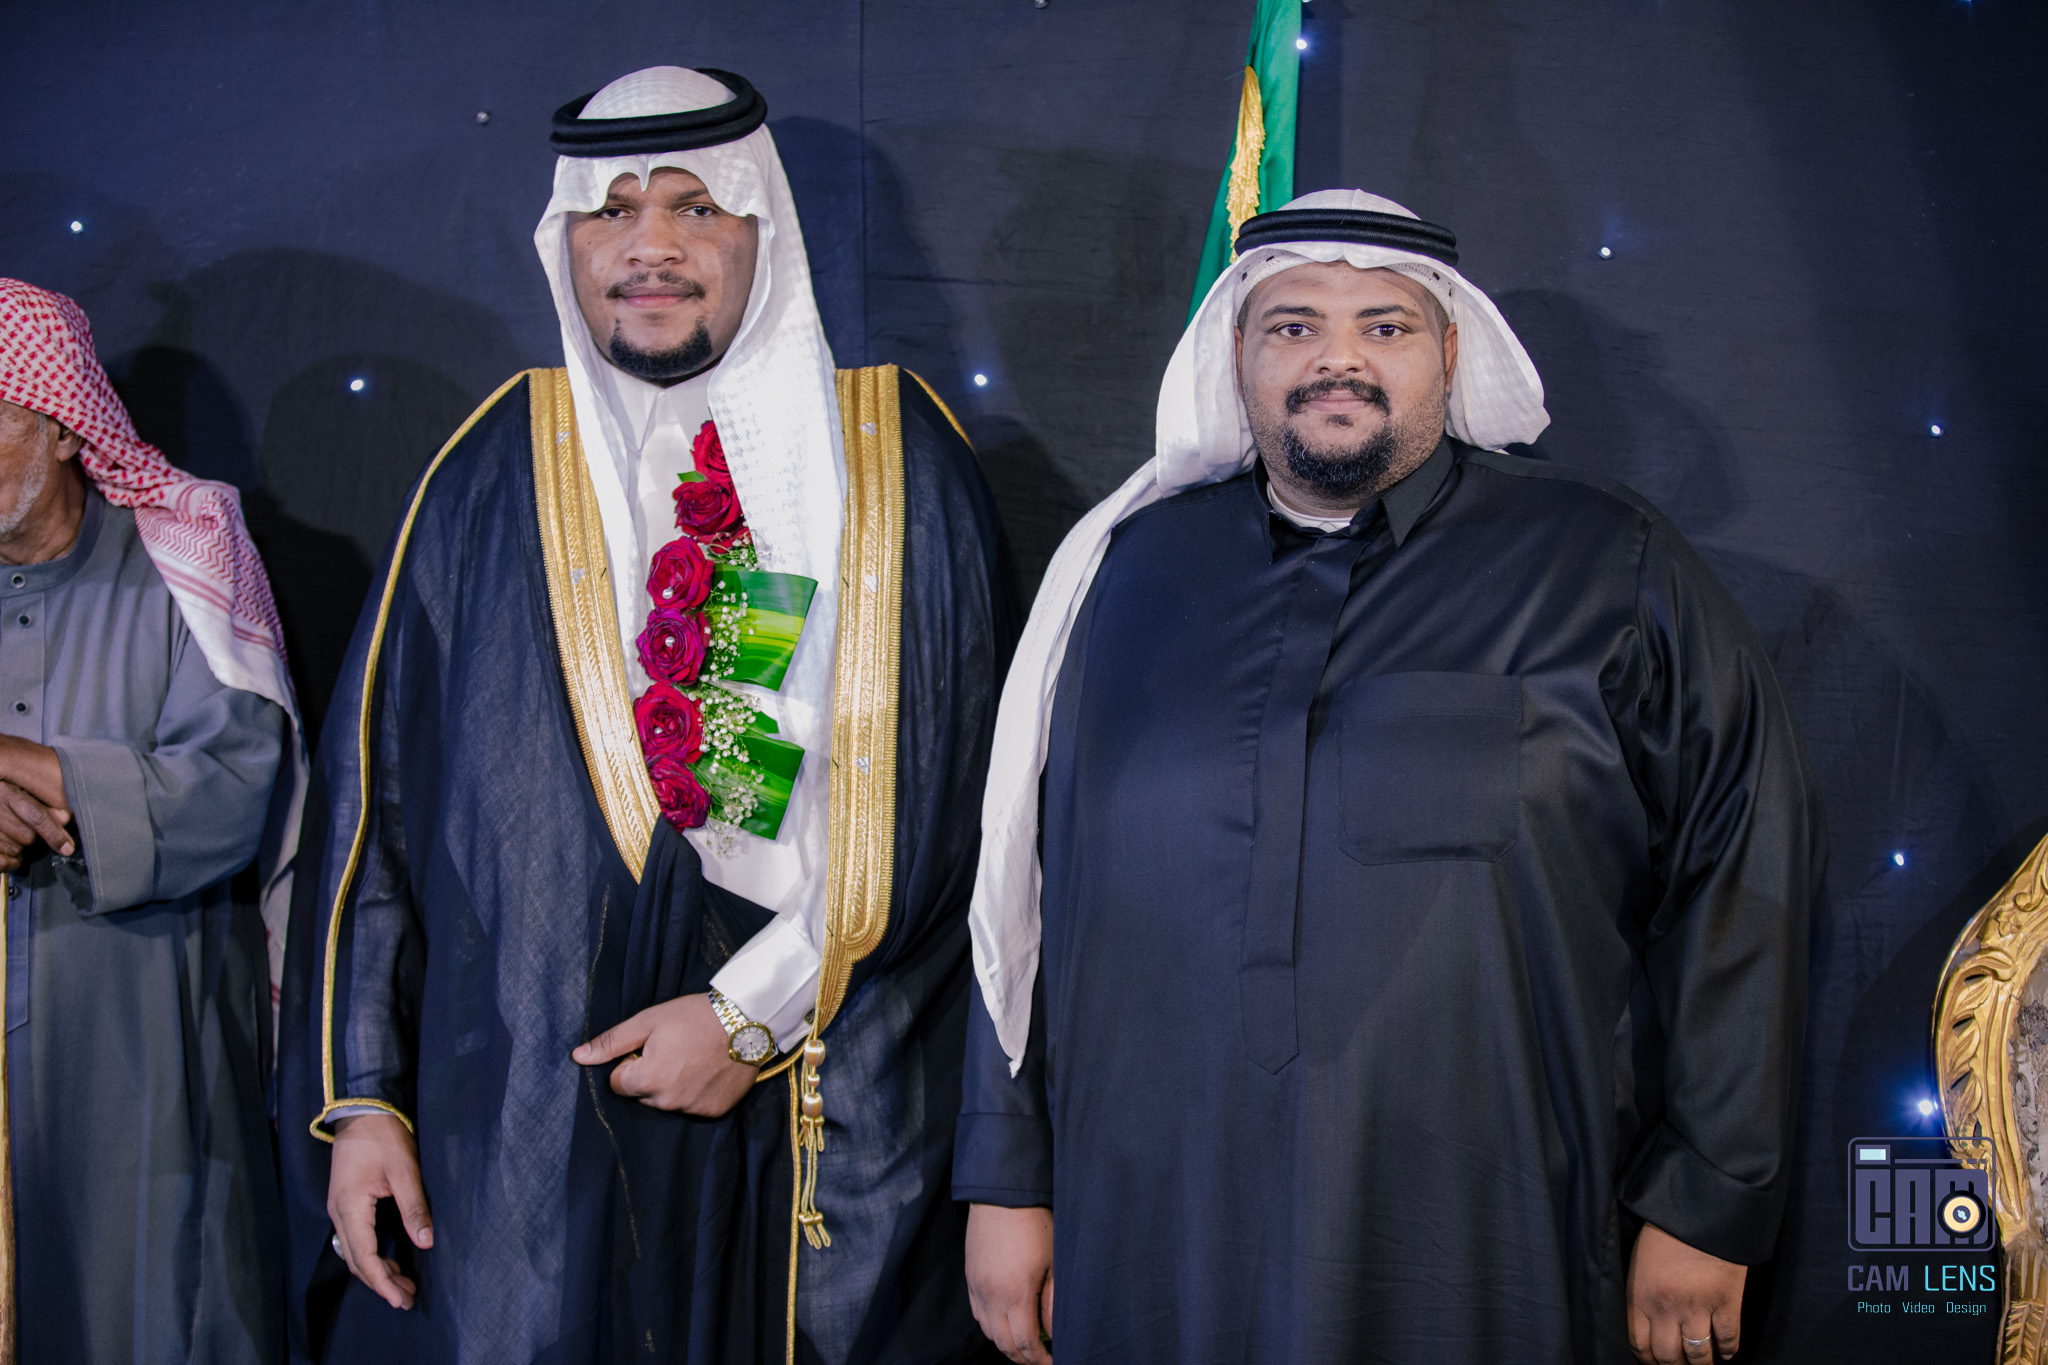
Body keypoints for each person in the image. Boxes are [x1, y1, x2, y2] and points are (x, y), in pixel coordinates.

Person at [954, 191, 1821, 1365]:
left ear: (1449, 352)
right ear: (1236, 355)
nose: (1337, 360)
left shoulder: (1600, 562)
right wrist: (1006, 1176)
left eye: (1384, 325)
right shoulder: (1123, 574)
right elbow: (1019, 892)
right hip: (1154, 1224)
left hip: (1484, 1232)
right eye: (1293, 326)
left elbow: (1741, 871)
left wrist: (1708, 1198)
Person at [279, 66, 1016, 1365]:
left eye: (695, 207)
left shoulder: (888, 454)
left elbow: (960, 799)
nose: (651, 247)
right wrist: (365, 1098)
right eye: (612, 211)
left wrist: (749, 1015)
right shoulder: (490, 467)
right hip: (538, 1128)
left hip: (829, 1107)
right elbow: (371, 814)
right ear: (566, 238)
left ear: (760, 228)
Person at [0, 279, 302, 1363]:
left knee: (146, 1302)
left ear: (62, 425)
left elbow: (229, 787)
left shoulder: (187, 554)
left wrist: (28, 773)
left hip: (141, 1036)